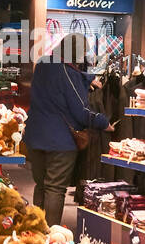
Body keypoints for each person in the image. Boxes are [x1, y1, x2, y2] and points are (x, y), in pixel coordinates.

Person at [26, 33, 113, 227]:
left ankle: (37, 231)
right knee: (55, 188)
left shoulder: (42, 64)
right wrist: (103, 122)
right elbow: (81, 112)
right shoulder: (70, 74)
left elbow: (62, 81)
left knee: (41, 185)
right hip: (60, 141)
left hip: (34, 137)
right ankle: (52, 237)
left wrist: (86, 78)